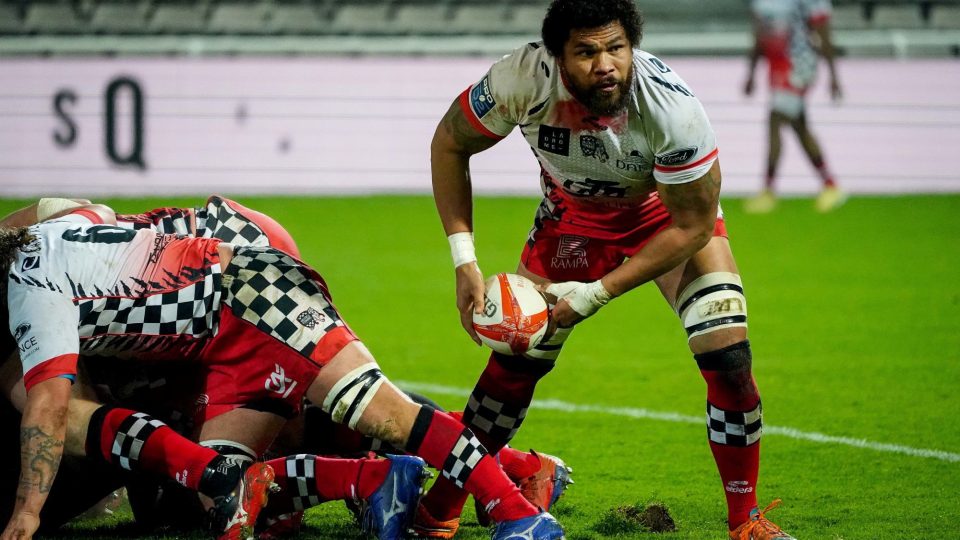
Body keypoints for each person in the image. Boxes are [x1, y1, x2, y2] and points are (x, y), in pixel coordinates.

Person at [419, 0, 796, 539]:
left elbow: (692, 225)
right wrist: (464, 260)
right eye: (587, 52)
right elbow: (450, 142)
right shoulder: (520, 80)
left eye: (616, 48)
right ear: (557, 57)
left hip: (664, 219)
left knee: (729, 358)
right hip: (570, 222)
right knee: (512, 369)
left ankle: (746, 520)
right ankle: (440, 507)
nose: (606, 64)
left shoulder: (672, 107)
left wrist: (597, 293)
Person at [0, 203, 564, 539]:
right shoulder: (50, 229)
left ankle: (515, 512)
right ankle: (374, 479)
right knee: (219, 493)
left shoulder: (30, 290)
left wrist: (27, 515)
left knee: (387, 412)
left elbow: (50, 407)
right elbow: (68, 212)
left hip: (255, 292)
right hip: (217, 346)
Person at [743, 0, 845, 213]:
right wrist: (751, 72)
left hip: (800, 63)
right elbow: (760, 34)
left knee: (775, 119)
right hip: (778, 64)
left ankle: (768, 191)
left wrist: (834, 76)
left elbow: (823, 32)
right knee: (799, 127)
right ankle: (830, 185)